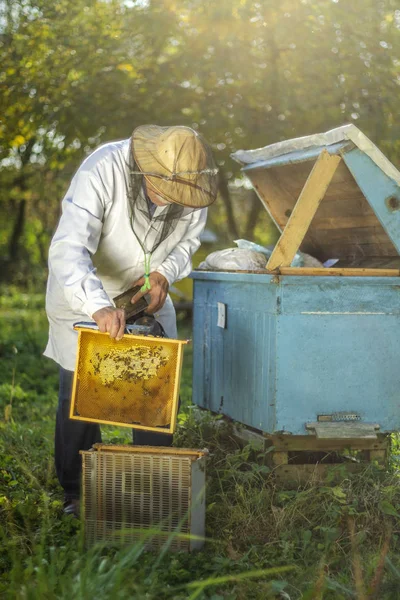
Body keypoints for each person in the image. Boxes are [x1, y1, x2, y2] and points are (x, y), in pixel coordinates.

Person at [44, 125, 218, 516]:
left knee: (156, 390)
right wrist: (97, 306)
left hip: (145, 294)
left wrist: (164, 275)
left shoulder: (193, 180)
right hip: (84, 291)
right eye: (164, 192)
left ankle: (152, 485)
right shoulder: (102, 169)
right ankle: (77, 490)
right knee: (80, 392)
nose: (174, 201)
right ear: (146, 170)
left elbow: (188, 241)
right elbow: (69, 248)